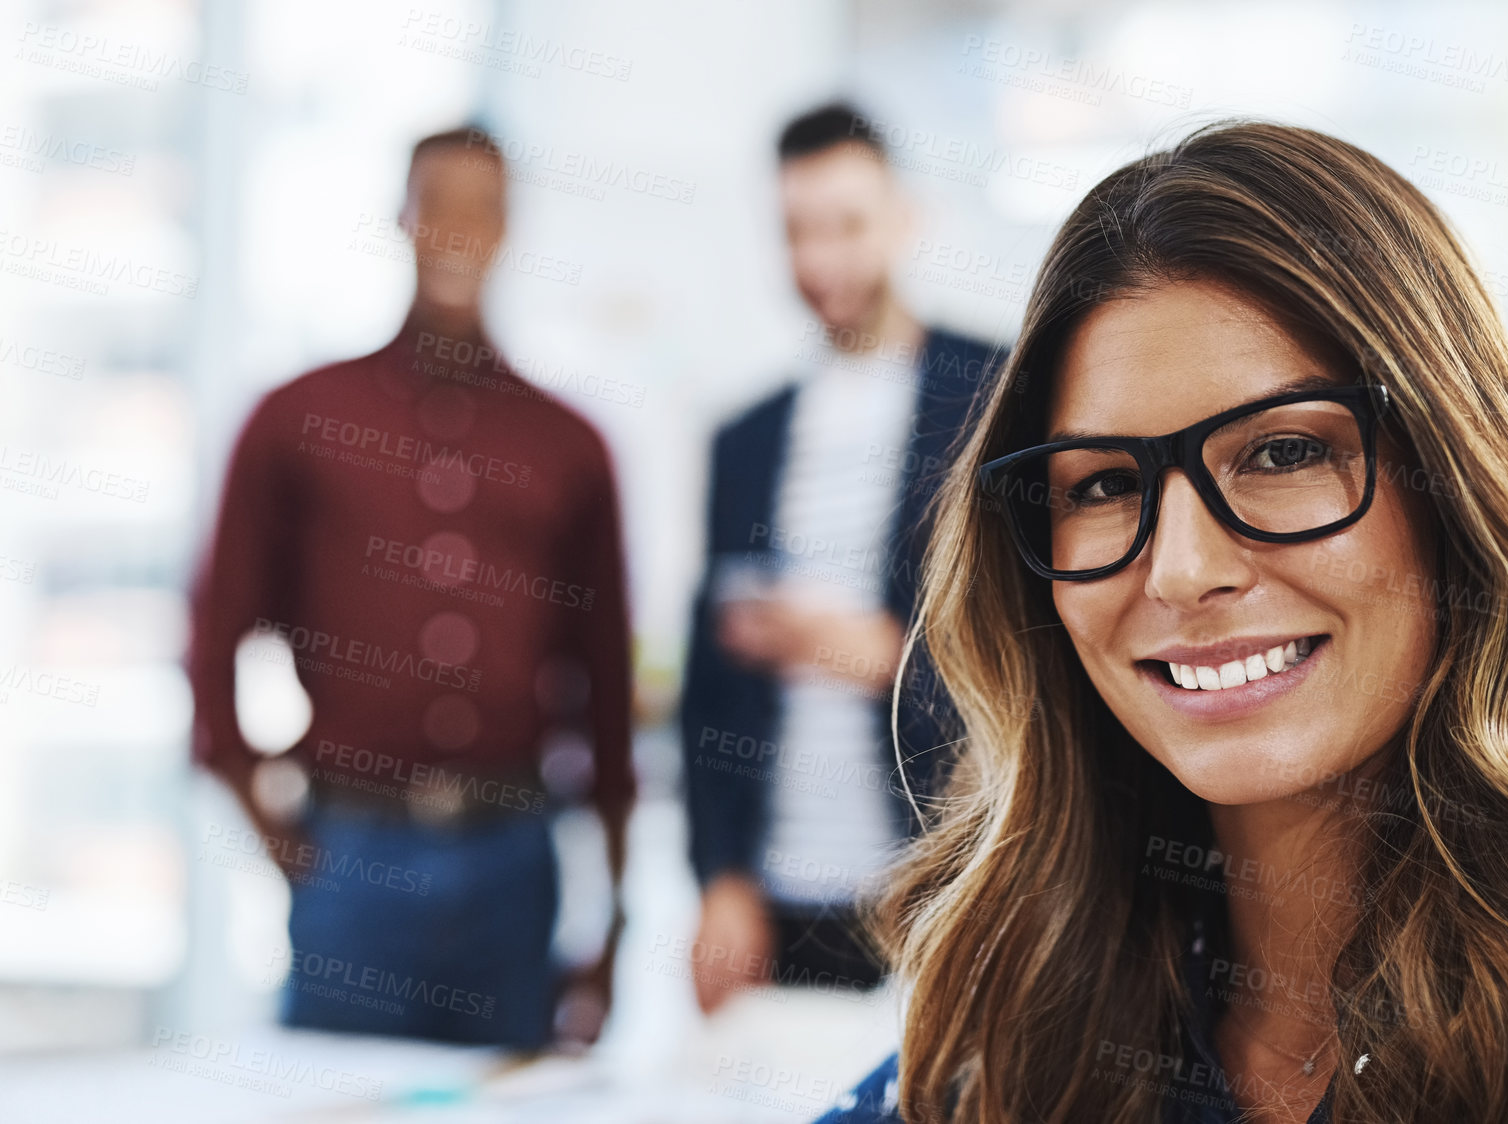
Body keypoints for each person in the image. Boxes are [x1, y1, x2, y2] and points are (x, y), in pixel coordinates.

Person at [816, 121, 1508, 1123]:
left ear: (1456, 483)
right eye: (1102, 482)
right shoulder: (998, 1052)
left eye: (1280, 452)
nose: (1183, 570)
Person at [187, 126, 634, 1050]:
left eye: (483, 210)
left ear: (509, 229)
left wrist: (616, 918)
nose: (459, 232)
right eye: (439, 205)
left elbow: (606, 690)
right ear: (402, 218)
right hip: (352, 850)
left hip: (515, 859)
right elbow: (214, 628)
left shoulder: (570, 449)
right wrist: (264, 821)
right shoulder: (299, 421)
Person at [679, 102, 997, 1013]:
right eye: (795, 232)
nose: (820, 261)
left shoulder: (994, 391)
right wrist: (721, 878)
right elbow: (711, 688)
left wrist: (892, 661)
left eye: (847, 226)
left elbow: (1050, 631)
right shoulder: (745, 439)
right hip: (777, 901)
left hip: (943, 882)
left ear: (905, 220)